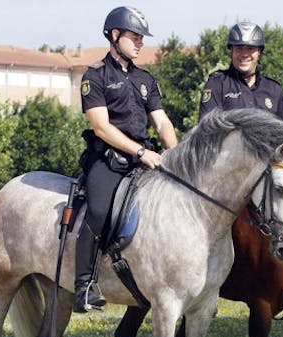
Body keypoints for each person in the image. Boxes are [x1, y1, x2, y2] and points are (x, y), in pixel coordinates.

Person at [74, 5, 178, 313]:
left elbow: (162, 123)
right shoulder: (95, 75)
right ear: (115, 35)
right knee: (97, 209)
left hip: (144, 159)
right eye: (135, 37)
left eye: (142, 38)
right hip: (107, 160)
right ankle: (83, 286)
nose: (140, 43)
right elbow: (100, 126)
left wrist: (174, 156)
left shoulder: (146, 79)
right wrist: (141, 152)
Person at [199, 21, 283, 120]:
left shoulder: (274, 89)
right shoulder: (217, 85)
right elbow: (206, 130)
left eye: (251, 48)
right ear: (231, 51)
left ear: (259, 52)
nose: (244, 54)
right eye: (239, 48)